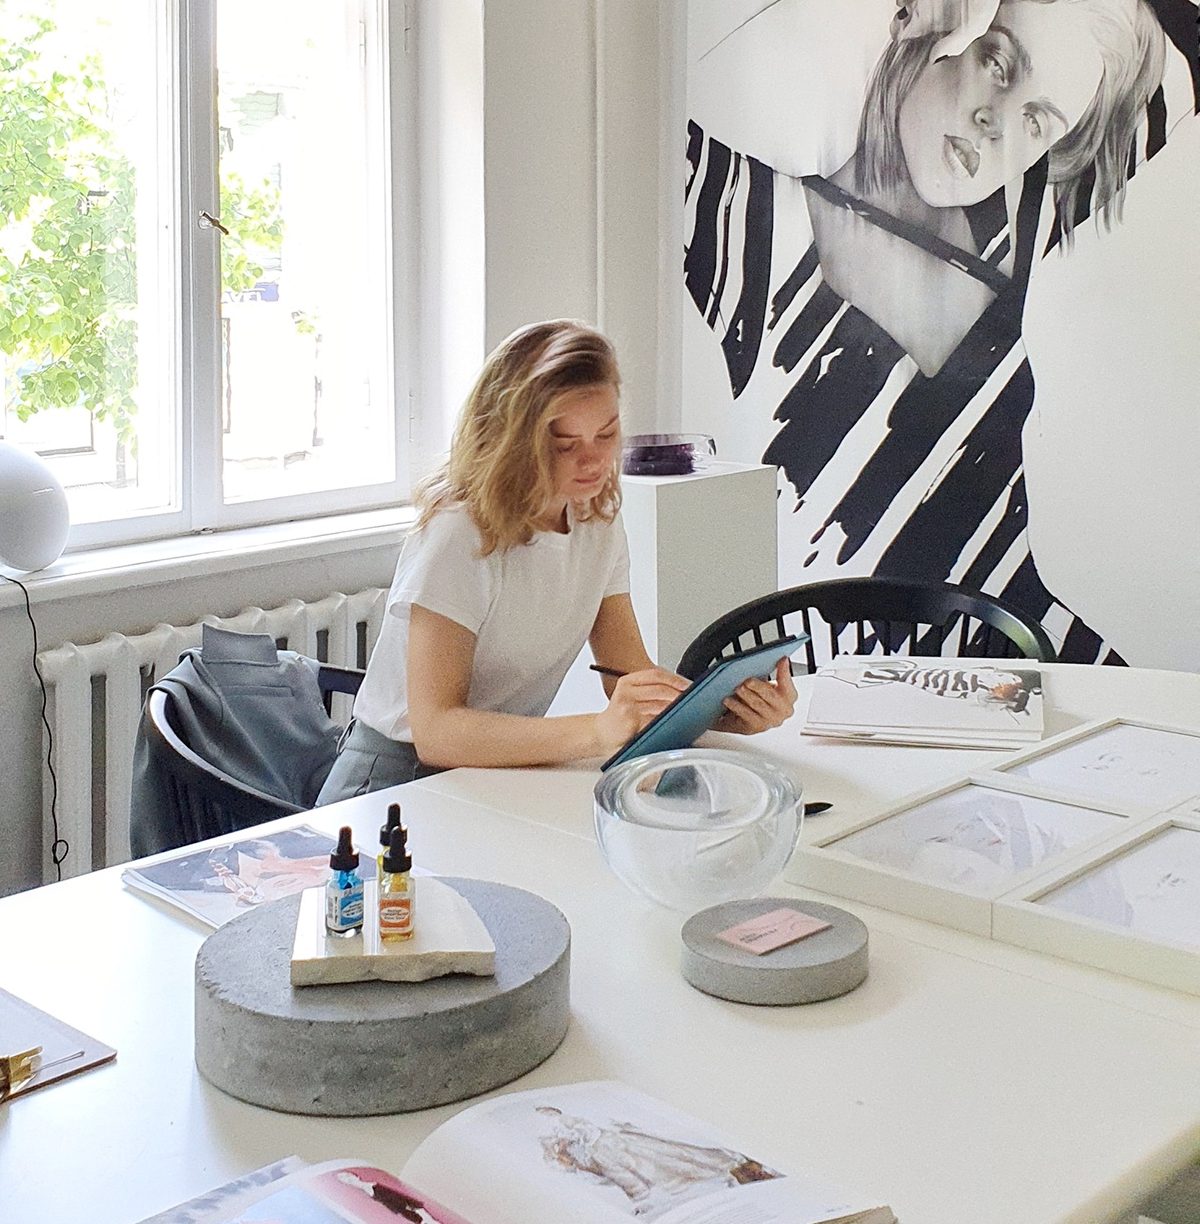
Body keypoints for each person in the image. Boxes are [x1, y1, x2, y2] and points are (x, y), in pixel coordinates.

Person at [685, 0, 1188, 662]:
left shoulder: (1027, 243)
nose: (996, 122)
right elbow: (662, 103)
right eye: (997, 65)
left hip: (1025, 661)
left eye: (1036, 122)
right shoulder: (746, 212)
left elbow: (1179, 63)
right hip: (830, 668)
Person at [317, 320, 796, 803]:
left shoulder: (595, 519)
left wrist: (727, 712)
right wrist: (598, 730)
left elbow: (627, 678)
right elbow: (437, 732)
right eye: (565, 444)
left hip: (490, 774)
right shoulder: (459, 533)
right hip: (393, 783)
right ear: (511, 438)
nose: (593, 461)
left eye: (606, 434)